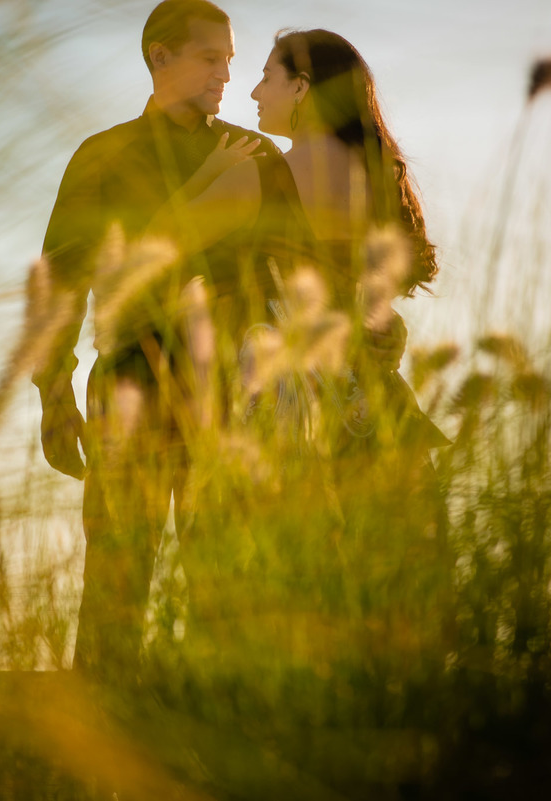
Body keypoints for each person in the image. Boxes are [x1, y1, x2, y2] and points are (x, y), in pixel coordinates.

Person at [147, 29, 452, 667]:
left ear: (303, 88)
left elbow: (161, 242)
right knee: (370, 599)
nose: (254, 92)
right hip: (373, 406)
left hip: (282, 411)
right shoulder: (378, 182)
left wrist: (214, 171)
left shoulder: (263, 176)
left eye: (267, 77)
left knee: (264, 599)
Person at [32, 0, 275, 681]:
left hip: (229, 391)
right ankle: (101, 730)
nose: (226, 73)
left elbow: (293, 271)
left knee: (225, 576)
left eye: (230, 59)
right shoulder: (102, 156)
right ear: (159, 57)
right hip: (127, 382)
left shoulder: (257, 156)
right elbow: (60, 280)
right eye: (210, 57)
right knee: (116, 574)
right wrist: (54, 395)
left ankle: (217, 729)